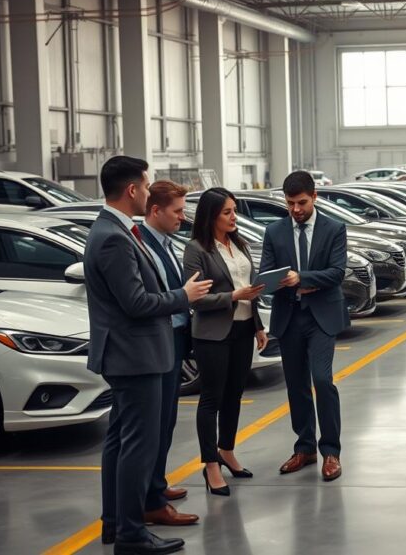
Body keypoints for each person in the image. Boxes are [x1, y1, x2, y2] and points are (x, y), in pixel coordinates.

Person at [84, 156, 211, 555]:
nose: (148, 188)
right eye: (146, 183)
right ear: (133, 190)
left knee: (121, 443)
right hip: (134, 356)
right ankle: (132, 535)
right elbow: (136, 303)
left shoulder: (119, 231)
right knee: (136, 446)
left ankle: (115, 525)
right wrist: (182, 297)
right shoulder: (113, 237)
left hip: (130, 354)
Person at [260, 171, 349, 480]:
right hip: (289, 316)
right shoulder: (274, 232)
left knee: (322, 381)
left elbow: (337, 272)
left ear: (314, 197)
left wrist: (303, 278)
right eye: (290, 204)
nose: (296, 210)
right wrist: (284, 283)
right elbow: (266, 275)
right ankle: (305, 448)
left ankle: (331, 452)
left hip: (321, 317)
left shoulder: (334, 228)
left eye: (301, 203)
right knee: (296, 385)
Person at [183, 188, 267, 496]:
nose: (234, 217)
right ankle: (211, 465)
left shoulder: (239, 243)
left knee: (234, 395)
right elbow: (197, 300)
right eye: (227, 212)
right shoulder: (196, 249)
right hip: (212, 334)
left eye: (234, 211)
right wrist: (233, 296)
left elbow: (249, 288)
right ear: (211, 216)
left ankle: (227, 450)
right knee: (211, 399)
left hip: (244, 329)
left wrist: (258, 325)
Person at [137, 180, 199, 527]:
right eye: (177, 211)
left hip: (173, 337)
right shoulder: (141, 244)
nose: (182, 217)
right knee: (154, 423)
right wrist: (184, 296)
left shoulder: (165, 243)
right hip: (156, 339)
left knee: (167, 419)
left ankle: (157, 486)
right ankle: (150, 500)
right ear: (155, 211)